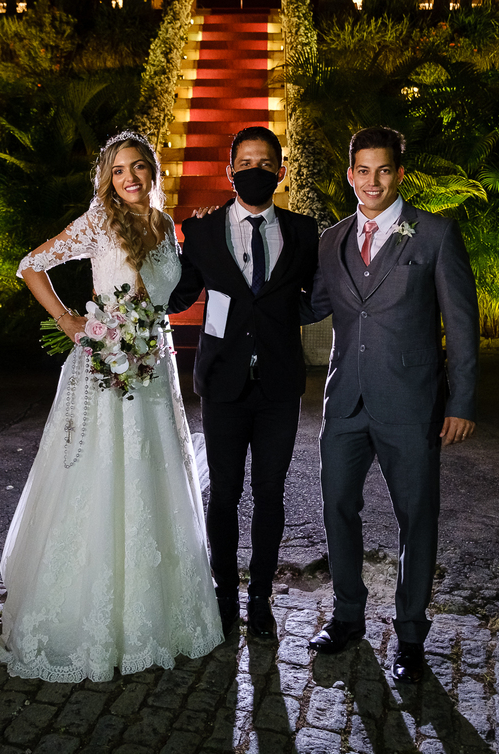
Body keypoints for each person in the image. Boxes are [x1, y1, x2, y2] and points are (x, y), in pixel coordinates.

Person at [0, 131, 224, 683]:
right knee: (101, 479)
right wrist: (69, 320)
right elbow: (31, 264)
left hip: (154, 370)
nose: (130, 178)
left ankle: (155, 610)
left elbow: (169, 295)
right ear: (108, 179)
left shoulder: (164, 226)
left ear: (152, 171)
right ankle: (88, 613)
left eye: (138, 167)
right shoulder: (100, 222)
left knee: (153, 477)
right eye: (118, 170)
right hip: (107, 369)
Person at [305, 126, 479, 684]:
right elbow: (310, 306)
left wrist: (462, 400)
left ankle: (410, 635)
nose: (373, 181)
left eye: (383, 170)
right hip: (345, 402)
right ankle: (347, 616)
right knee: (337, 507)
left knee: (416, 517)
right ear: (350, 174)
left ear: (400, 174)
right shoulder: (331, 240)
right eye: (363, 170)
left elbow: (462, 324)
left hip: (412, 403)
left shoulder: (434, 234)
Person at [168, 127, 320, 642]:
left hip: (278, 384)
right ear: (230, 171)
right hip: (222, 382)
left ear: (281, 171)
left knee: (270, 494)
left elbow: (319, 295)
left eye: (266, 162)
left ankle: (260, 598)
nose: (256, 170)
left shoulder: (304, 232)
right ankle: (224, 595)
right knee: (225, 493)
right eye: (246, 162)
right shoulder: (202, 230)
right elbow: (179, 293)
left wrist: (282, 318)